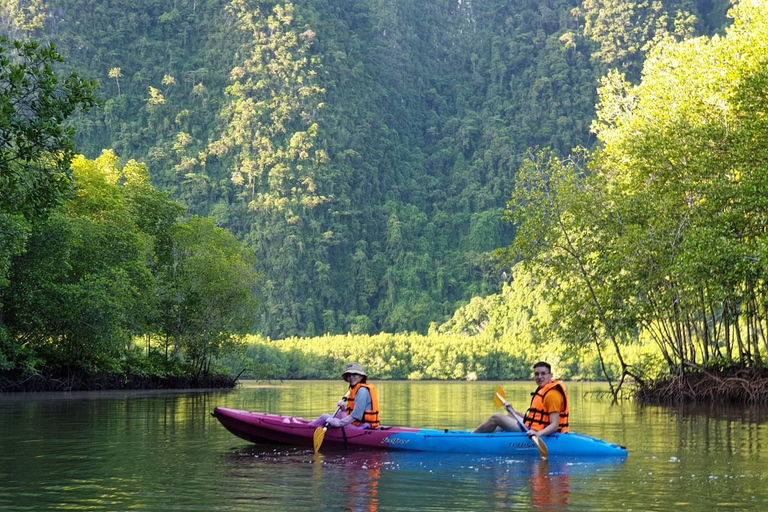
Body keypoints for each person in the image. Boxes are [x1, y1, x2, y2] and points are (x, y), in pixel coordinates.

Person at [473, 361, 569, 442]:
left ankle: (472, 438)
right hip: (533, 426)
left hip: (537, 431)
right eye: (536, 374)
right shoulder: (544, 390)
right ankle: (489, 438)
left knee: (496, 417)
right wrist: (513, 410)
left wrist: (538, 434)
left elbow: (554, 425)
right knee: (510, 415)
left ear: (550, 375)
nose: (539, 377)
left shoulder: (552, 395)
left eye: (543, 373)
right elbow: (533, 418)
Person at [309, 361, 380, 429]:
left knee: (325, 417)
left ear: (361, 376)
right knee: (341, 413)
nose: (351, 377)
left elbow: (356, 415)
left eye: (354, 374)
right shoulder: (357, 389)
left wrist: (339, 423)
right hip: (359, 424)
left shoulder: (362, 391)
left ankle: (307, 427)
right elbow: (358, 410)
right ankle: (311, 424)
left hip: (362, 427)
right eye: (349, 375)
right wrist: (344, 408)